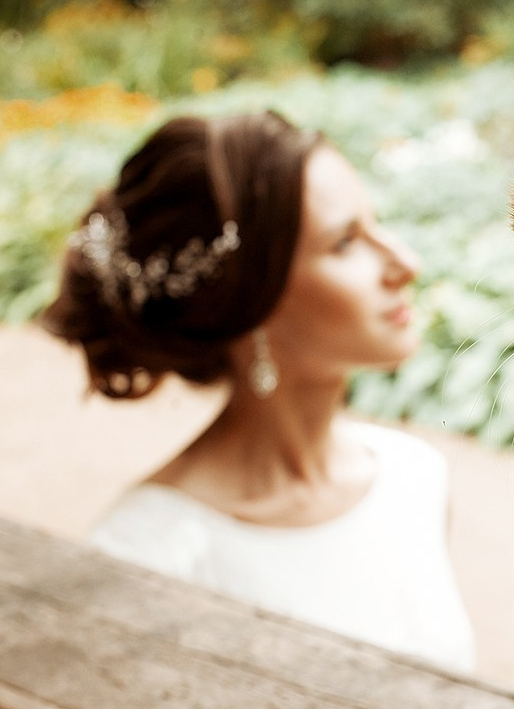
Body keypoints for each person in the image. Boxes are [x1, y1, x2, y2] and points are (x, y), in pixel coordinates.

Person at [41, 110, 475, 672]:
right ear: (252, 298)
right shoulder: (150, 553)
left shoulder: (415, 476)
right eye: (345, 242)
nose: (405, 264)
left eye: (378, 223)